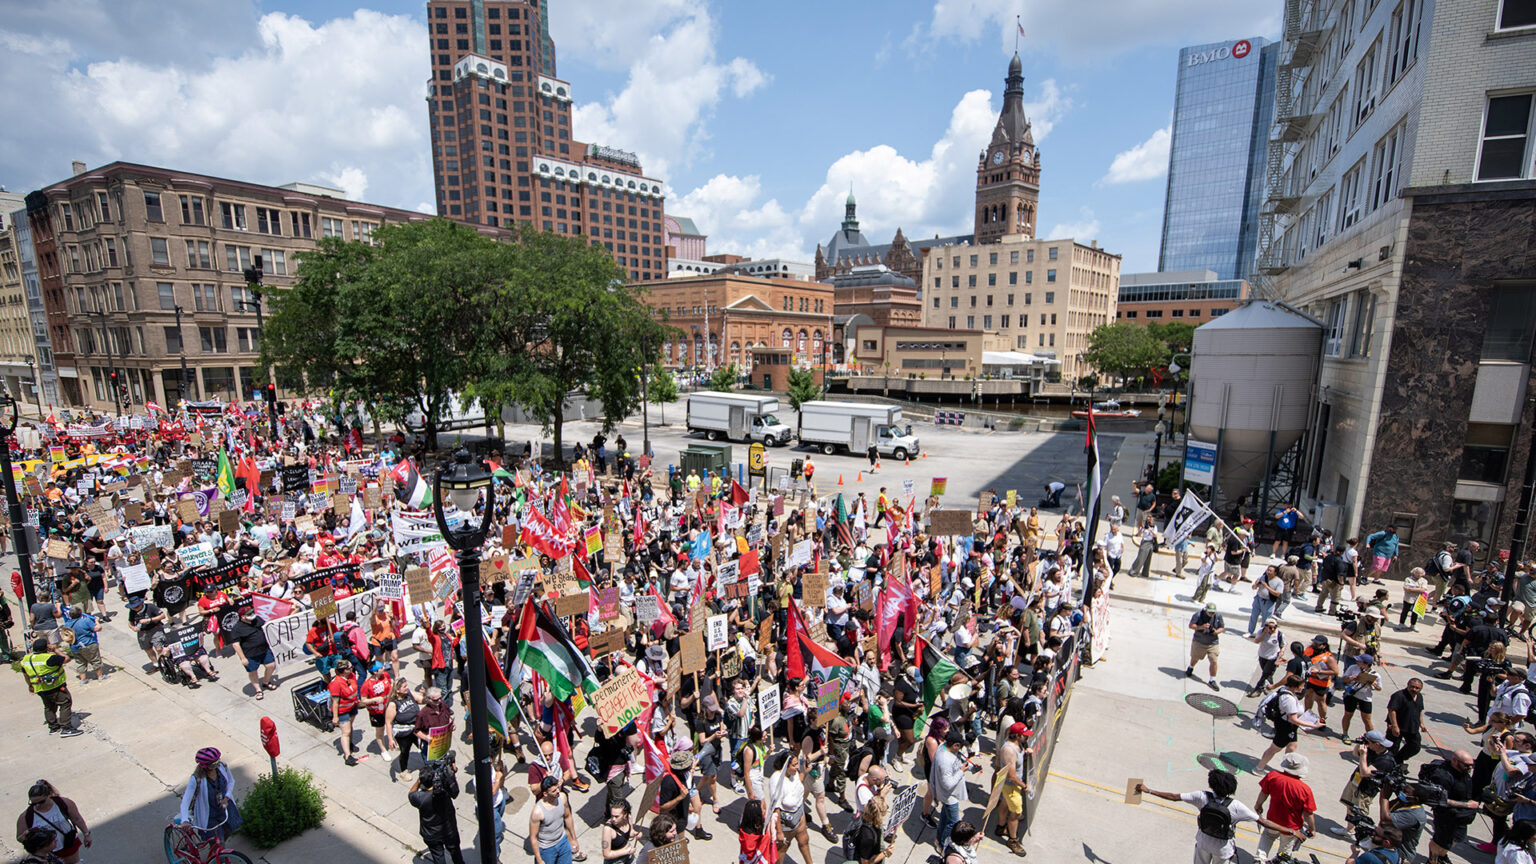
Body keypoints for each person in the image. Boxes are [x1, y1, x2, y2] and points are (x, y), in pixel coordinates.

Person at [1136, 769, 1303, 864]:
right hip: (1223, 848)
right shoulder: (1236, 806)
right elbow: (1264, 822)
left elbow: (1173, 796)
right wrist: (1290, 831)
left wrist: (1148, 790)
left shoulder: (1201, 796)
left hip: (1203, 841)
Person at [1329, 730, 1398, 837]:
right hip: (1356, 782)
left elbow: (1365, 772)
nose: (1367, 745)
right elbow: (1355, 753)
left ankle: (1362, 836)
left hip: (1366, 790)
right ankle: (1349, 830)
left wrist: (1363, 755)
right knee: (1350, 806)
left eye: (1368, 743)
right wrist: (1360, 744)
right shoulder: (1372, 749)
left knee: (1360, 813)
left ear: (1377, 744)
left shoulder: (1386, 760)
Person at [1419, 751, 1483, 864]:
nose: (1470, 768)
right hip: (1446, 815)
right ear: (1454, 761)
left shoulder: (1461, 770)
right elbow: (1438, 800)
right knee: (1439, 840)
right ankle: (1433, 860)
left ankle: (1442, 855)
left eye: (1471, 765)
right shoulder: (1442, 777)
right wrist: (1467, 805)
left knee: (1457, 838)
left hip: (1461, 815)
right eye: (1467, 765)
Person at [1253, 753, 1315, 863]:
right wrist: (1312, 828)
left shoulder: (1272, 776)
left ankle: (1259, 859)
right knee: (1284, 852)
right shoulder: (1305, 790)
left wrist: (1258, 804)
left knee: (1267, 837)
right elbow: (1308, 813)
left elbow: (1264, 793)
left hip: (1272, 820)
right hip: (1292, 827)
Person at [1254, 675, 1323, 773]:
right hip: (1285, 727)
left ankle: (1288, 770)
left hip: (1290, 727)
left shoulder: (1287, 692)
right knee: (1274, 748)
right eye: (1302, 686)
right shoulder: (1288, 699)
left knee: (1292, 747)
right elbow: (1293, 719)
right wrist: (1313, 726)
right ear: (1295, 686)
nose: (1303, 688)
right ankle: (1259, 768)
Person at [15, 780, 91, 864]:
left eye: (41, 802)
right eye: (33, 803)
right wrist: (29, 836)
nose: (38, 805)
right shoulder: (26, 816)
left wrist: (86, 834)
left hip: (67, 843)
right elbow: (20, 837)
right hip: (45, 851)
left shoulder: (63, 803)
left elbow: (77, 819)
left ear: (49, 795)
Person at [177, 748, 242, 842]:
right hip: (209, 815)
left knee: (229, 830)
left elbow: (231, 782)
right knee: (217, 842)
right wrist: (185, 820)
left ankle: (219, 850)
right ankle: (219, 852)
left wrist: (226, 798)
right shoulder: (196, 779)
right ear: (205, 766)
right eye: (213, 764)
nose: (217, 764)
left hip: (224, 807)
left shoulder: (222, 767)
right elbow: (185, 801)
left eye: (218, 761)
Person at [19, 638, 80, 737]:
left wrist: (30, 686)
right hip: (55, 687)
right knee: (65, 703)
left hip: (40, 688)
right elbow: (67, 659)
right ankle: (66, 728)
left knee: (49, 707)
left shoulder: (26, 660)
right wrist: (55, 650)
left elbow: (26, 675)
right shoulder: (49, 658)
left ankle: (53, 727)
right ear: (46, 647)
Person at [409, 758, 465, 864]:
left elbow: (410, 793)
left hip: (431, 834)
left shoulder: (419, 798)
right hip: (449, 830)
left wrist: (418, 781)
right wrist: (451, 773)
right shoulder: (444, 791)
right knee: (455, 852)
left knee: (438, 857)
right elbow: (453, 789)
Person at [529, 775, 586, 864]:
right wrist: (539, 859)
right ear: (545, 793)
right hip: (546, 849)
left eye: (557, 788)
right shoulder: (538, 812)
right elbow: (533, 838)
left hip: (563, 842)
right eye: (554, 791)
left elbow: (568, 817)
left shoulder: (562, 798)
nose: (558, 791)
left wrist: (573, 839)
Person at [928, 726, 969, 853]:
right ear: (955, 745)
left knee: (945, 818)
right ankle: (942, 843)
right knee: (953, 823)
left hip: (949, 795)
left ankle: (938, 839)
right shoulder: (945, 760)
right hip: (949, 796)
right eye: (960, 746)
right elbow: (948, 784)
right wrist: (961, 771)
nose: (960, 749)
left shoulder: (945, 748)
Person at [227, 605, 278, 699]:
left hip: (264, 650)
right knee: (253, 672)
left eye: (252, 612)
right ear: (243, 617)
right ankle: (258, 690)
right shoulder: (237, 628)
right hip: (250, 654)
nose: (252, 615)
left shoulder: (257, 619)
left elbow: (265, 624)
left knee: (271, 665)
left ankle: (266, 682)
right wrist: (243, 658)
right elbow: (235, 644)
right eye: (249, 614)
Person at [995, 721, 1030, 855]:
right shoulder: (1009, 750)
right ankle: (1013, 840)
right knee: (1015, 813)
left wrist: (1025, 752)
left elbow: (1017, 759)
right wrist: (1024, 785)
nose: (1026, 737)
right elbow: (1012, 776)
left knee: (1004, 803)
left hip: (1009, 787)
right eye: (1024, 735)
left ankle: (1000, 827)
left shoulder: (1017, 745)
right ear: (1016, 736)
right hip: (1011, 786)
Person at [1385, 679, 1428, 764]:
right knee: (1393, 748)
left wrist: (1421, 724)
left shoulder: (1419, 697)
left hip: (1412, 726)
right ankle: (1389, 764)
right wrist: (1394, 726)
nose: (1414, 689)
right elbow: (1392, 710)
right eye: (1412, 687)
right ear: (1407, 685)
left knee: (1415, 746)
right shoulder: (1398, 695)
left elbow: (1419, 711)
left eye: (1417, 688)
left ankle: (1398, 759)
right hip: (1398, 726)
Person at [329, 657, 362, 765]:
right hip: (342, 710)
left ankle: (350, 744)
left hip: (352, 707)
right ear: (344, 671)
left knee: (350, 726)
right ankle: (347, 756)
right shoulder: (336, 683)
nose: (352, 669)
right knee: (346, 732)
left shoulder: (351, 676)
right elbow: (335, 702)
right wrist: (335, 717)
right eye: (350, 667)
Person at [1186, 602, 1224, 692]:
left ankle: (1212, 680)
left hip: (1213, 642)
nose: (1211, 614)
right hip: (1199, 641)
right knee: (1195, 658)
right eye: (1210, 612)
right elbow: (1191, 625)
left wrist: (1215, 632)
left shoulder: (1218, 616)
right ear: (1205, 610)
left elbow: (1222, 628)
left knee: (1214, 661)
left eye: (1213, 612)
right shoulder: (1198, 615)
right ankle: (1191, 667)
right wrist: (1201, 627)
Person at [600, 799, 640, 864]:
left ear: (625, 815)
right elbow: (606, 854)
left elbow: (630, 833)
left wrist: (636, 833)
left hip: (628, 856)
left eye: (616, 816)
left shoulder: (628, 818)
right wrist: (627, 851)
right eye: (612, 816)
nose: (613, 819)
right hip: (615, 861)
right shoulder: (608, 829)